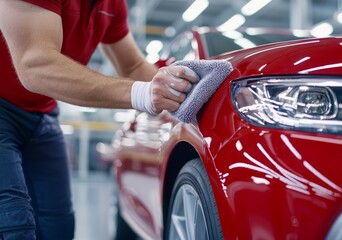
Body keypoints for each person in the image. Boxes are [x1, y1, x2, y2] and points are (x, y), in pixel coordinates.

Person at [0, 0, 199, 239]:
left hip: (42, 114)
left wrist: (195, 93)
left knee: (57, 227)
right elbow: (35, 64)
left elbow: (133, 65)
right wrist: (143, 94)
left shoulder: (112, 4)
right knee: (13, 226)